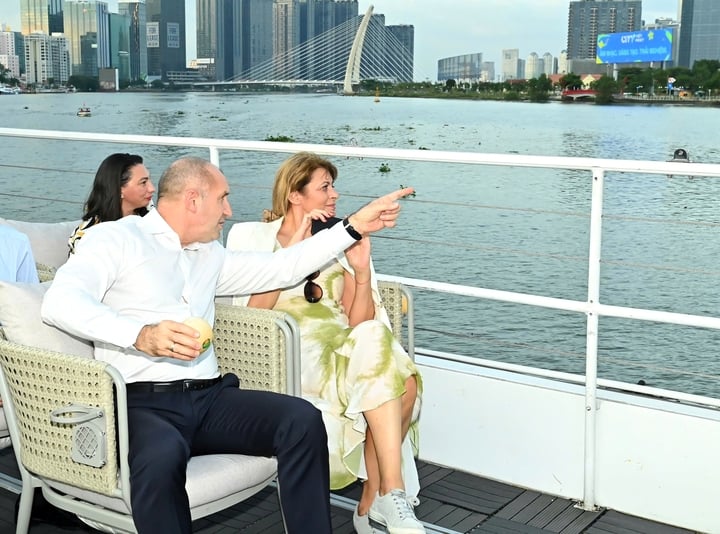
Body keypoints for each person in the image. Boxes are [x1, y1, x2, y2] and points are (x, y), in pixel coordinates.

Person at [41, 156, 414, 534]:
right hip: (144, 402)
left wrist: (352, 227)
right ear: (193, 199)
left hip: (210, 398)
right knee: (160, 460)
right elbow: (60, 303)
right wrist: (140, 335)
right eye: (223, 198)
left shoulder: (210, 254)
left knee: (301, 420)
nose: (229, 210)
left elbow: (282, 268)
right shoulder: (116, 239)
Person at [227, 152, 424, 534]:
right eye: (324, 187)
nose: (334, 195)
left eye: (333, 185)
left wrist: (362, 272)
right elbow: (254, 315)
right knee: (402, 386)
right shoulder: (261, 244)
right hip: (292, 352)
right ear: (295, 196)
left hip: (344, 347)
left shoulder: (337, 244)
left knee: (382, 351)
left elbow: (358, 321)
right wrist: (290, 259)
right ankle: (375, 503)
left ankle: (385, 494)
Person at [69, 153, 155, 254]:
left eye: (149, 180)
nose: (152, 188)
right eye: (143, 182)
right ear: (119, 189)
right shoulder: (89, 236)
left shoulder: (148, 212)